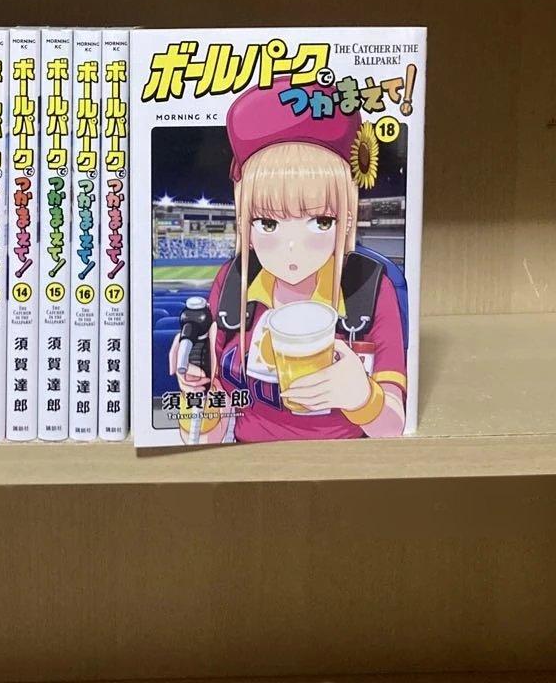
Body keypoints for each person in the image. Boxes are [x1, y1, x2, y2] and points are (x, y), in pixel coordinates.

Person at [169, 77, 407, 443]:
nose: (292, 247)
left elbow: (394, 428)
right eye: (268, 223)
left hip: (345, 461)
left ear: (345, 220)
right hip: (249, 459)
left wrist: (363, 399)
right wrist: (194, 391)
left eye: (320, 221)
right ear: (245, 224)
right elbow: (203, 439)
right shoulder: (234, 282)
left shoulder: (368, 288)